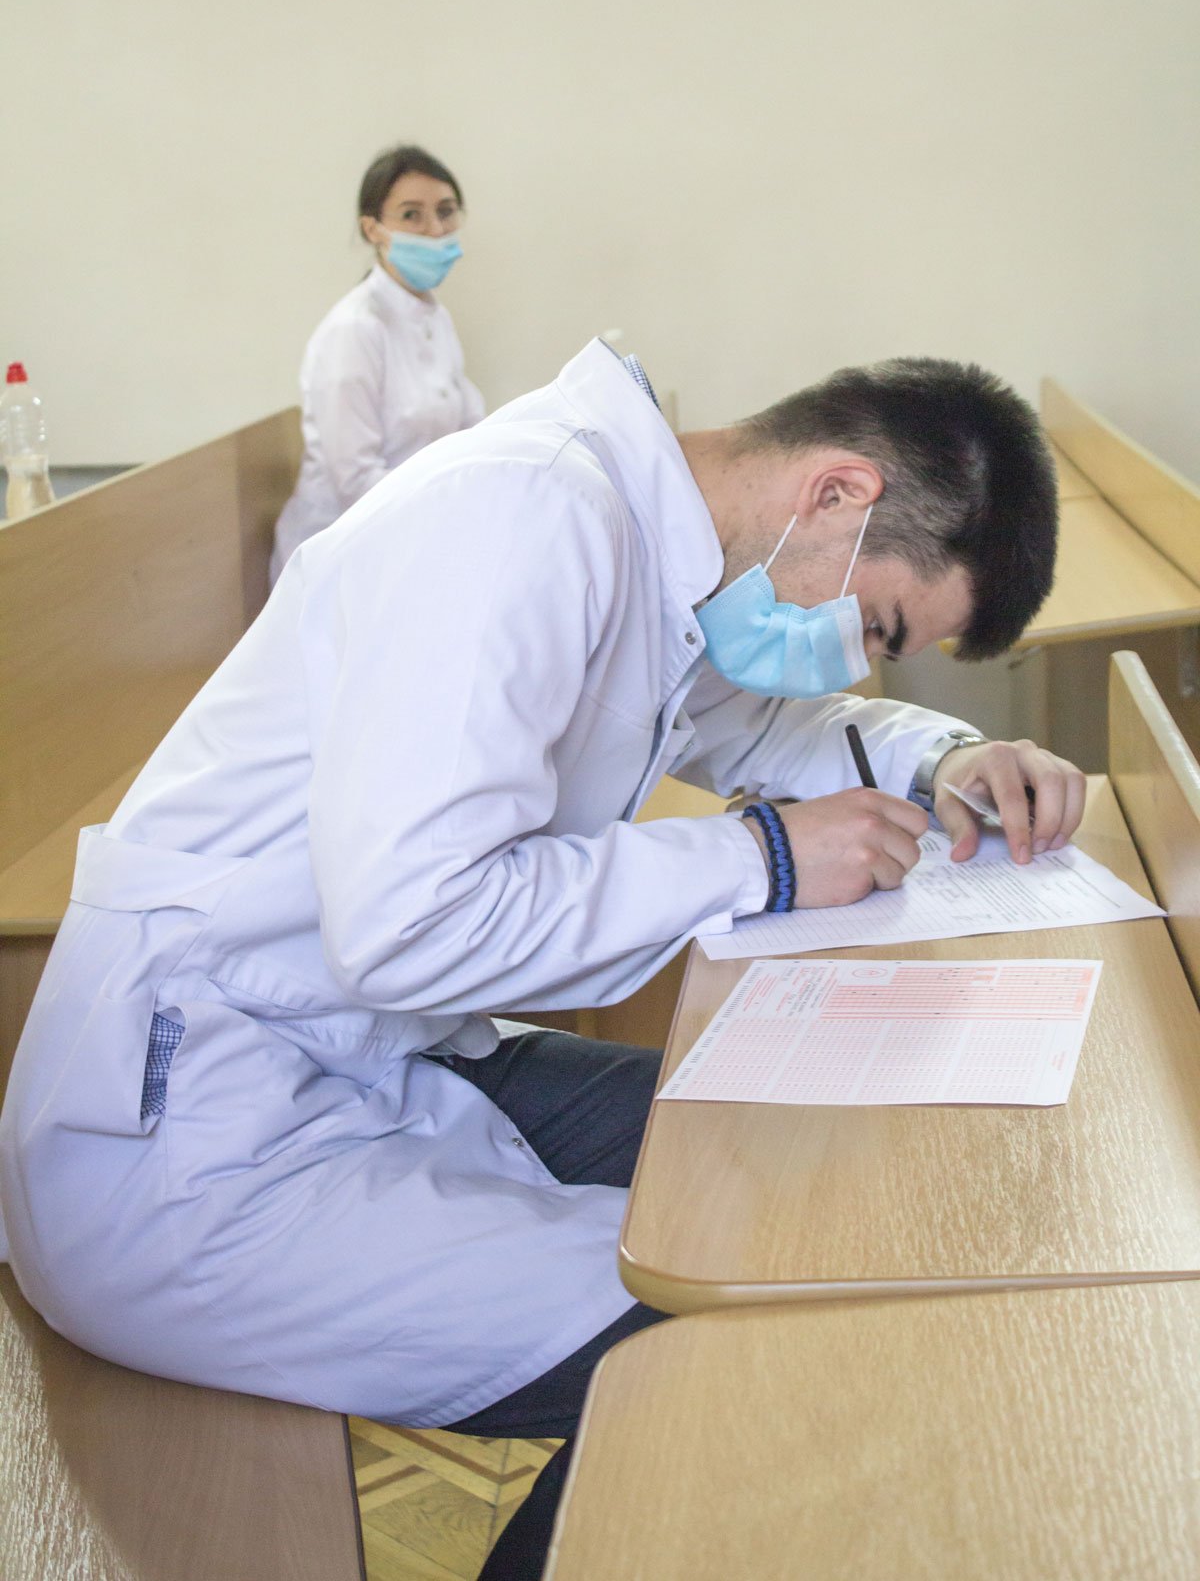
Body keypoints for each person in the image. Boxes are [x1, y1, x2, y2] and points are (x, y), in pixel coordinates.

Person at [0, 342, 1083, 1581]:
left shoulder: (650, 544)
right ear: (836, 492)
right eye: (877, 623)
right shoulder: (518, 517)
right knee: (726, 1341)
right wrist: (762, 861)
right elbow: (410, 923)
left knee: (781, 1134)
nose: (860, 658)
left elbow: (756, 733)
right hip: (191, 1142)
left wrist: (942, 760)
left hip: (368, 1057)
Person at [270, 143, 485, 583]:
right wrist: (446, 515)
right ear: (372, 230)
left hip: (417, 533)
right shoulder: (354, 330)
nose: (435, 229)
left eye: (446, 211)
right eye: (411, 215)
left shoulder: (434, 317)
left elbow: (470, 432)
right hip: (345, 556)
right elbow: (355, 482)